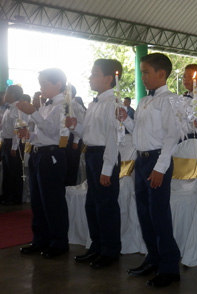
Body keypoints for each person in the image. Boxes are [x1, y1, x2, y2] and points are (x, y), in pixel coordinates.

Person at [119, 53, 180, 288]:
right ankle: (153, 258)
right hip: (143, 160)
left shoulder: (169, 100)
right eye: (142, 72)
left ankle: (169, 266)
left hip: (157, 160)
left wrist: (161, 167)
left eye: (145, 72)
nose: (142, 77)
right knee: (144, 212)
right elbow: (138, 132)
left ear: (161, 74)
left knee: (159, 215)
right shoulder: (144, 101)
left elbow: (171, 136)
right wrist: (126, 119)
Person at [67, 59, 122, 269]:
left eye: (95, 73)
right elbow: (88, 135)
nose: (90, 77)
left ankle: (110, 250)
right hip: (91, 155)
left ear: (109, 79)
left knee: (106, 205)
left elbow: (113, 139)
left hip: (104, 157)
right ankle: (96, 246)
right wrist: (75, 128)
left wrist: (107, 168)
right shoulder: (93, 104)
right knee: (92, 203)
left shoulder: (113, 104)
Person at [16, 68, 70, 258]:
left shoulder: (64, 105)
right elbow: (42, 134)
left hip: (52, 156)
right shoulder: (46, 106)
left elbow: (55, 133)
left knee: (52, 200)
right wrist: (29, 135)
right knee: (38, 201)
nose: (41, 88)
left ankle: (59, 242)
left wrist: (34, 113)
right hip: (39, 154)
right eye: (40, 84)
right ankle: (41, 239)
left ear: (58, 84)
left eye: (45, 84)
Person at [0, 85, 27, 205]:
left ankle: (14, 197)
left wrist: (14, 146)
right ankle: (6, 194)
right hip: (6, 142)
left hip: (13, 143)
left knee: (14, 171)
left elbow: (18, 128)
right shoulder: (8, 109)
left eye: (6, 93)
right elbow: (4, 128)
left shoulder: (17, 109)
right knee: (7, 170)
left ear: (12, 95)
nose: (4, 96)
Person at [65, 85, 85, 186]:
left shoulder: (77, 106)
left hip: (73, 137)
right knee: (65, 164)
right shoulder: (63, 106)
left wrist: (76, 141)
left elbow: (80, 123)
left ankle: (70, 187)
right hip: (64, 137)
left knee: (72, 164)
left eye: (65, 92)